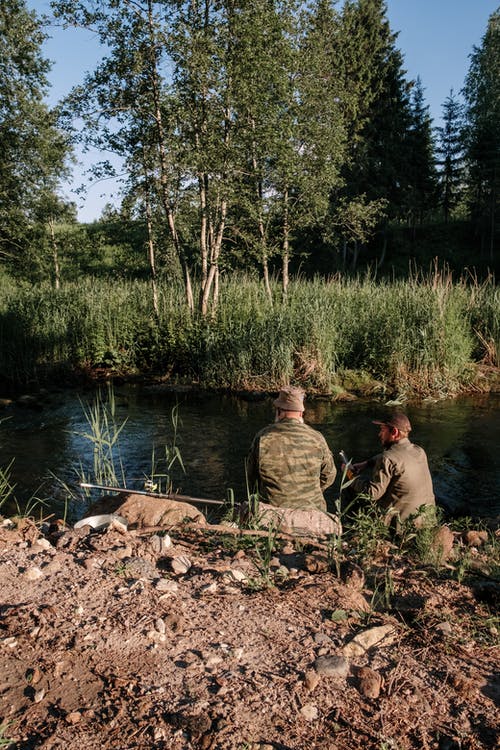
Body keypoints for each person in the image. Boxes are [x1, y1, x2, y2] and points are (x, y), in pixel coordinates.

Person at [246, 385, 336, 511]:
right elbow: (329, 475)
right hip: (312, 513)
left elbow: (251, 476)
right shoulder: (317, 438)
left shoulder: (263, 437)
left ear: (278, 411)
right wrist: (308, 492)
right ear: (301, 412)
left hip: (272, 513)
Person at [347, 412, 435, 528]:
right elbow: (397, 458)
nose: (379, 434)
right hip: (428, 521)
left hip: (403, 527)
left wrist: (349, 476)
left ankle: (348, 526)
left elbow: (373, 493)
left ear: (394, 432)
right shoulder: (419, 451)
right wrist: (367, 463)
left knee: (352, 488)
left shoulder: (387, 458)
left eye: (382, 430)